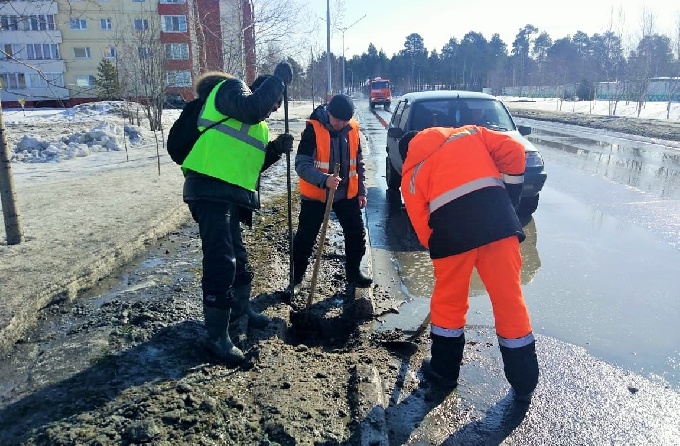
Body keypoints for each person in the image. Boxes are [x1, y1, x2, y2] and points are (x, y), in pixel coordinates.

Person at [398, 125, 539, 403]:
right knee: (510, 301)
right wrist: (508, 199)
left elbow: (423, 228)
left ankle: (444, 372)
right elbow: (514, 151)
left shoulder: (410, 174)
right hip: (499, 221)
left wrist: (446, 250)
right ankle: (525, 381)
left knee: (449, 304)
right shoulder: (469, 133)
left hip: (451, 234)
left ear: (407, 153)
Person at [182, 61, 294, 365]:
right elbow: (254, 107)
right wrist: (278, 79)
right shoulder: (230, 90)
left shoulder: (255, 122)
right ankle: (216, 337)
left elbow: (249, 165)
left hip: (229, 194)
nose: (273, 110)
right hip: (208, 187)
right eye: (274, 102)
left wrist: (274, 149)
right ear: (260, 91)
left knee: (239, 260)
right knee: (221, 261)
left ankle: (242, 311)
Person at [292, 94, 372, 288]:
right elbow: (301, 165)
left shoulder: (352, 129)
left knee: (356, 233)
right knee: (305, 237)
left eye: (345, 120)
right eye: (337, 120)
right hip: (317, 195)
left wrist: (361, 191)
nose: (340, 124)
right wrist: (324, 180)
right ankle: (296, 278)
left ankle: (353, 273)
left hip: (346, 194)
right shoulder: (313, 129)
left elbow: (358, 162)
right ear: (329, 113)